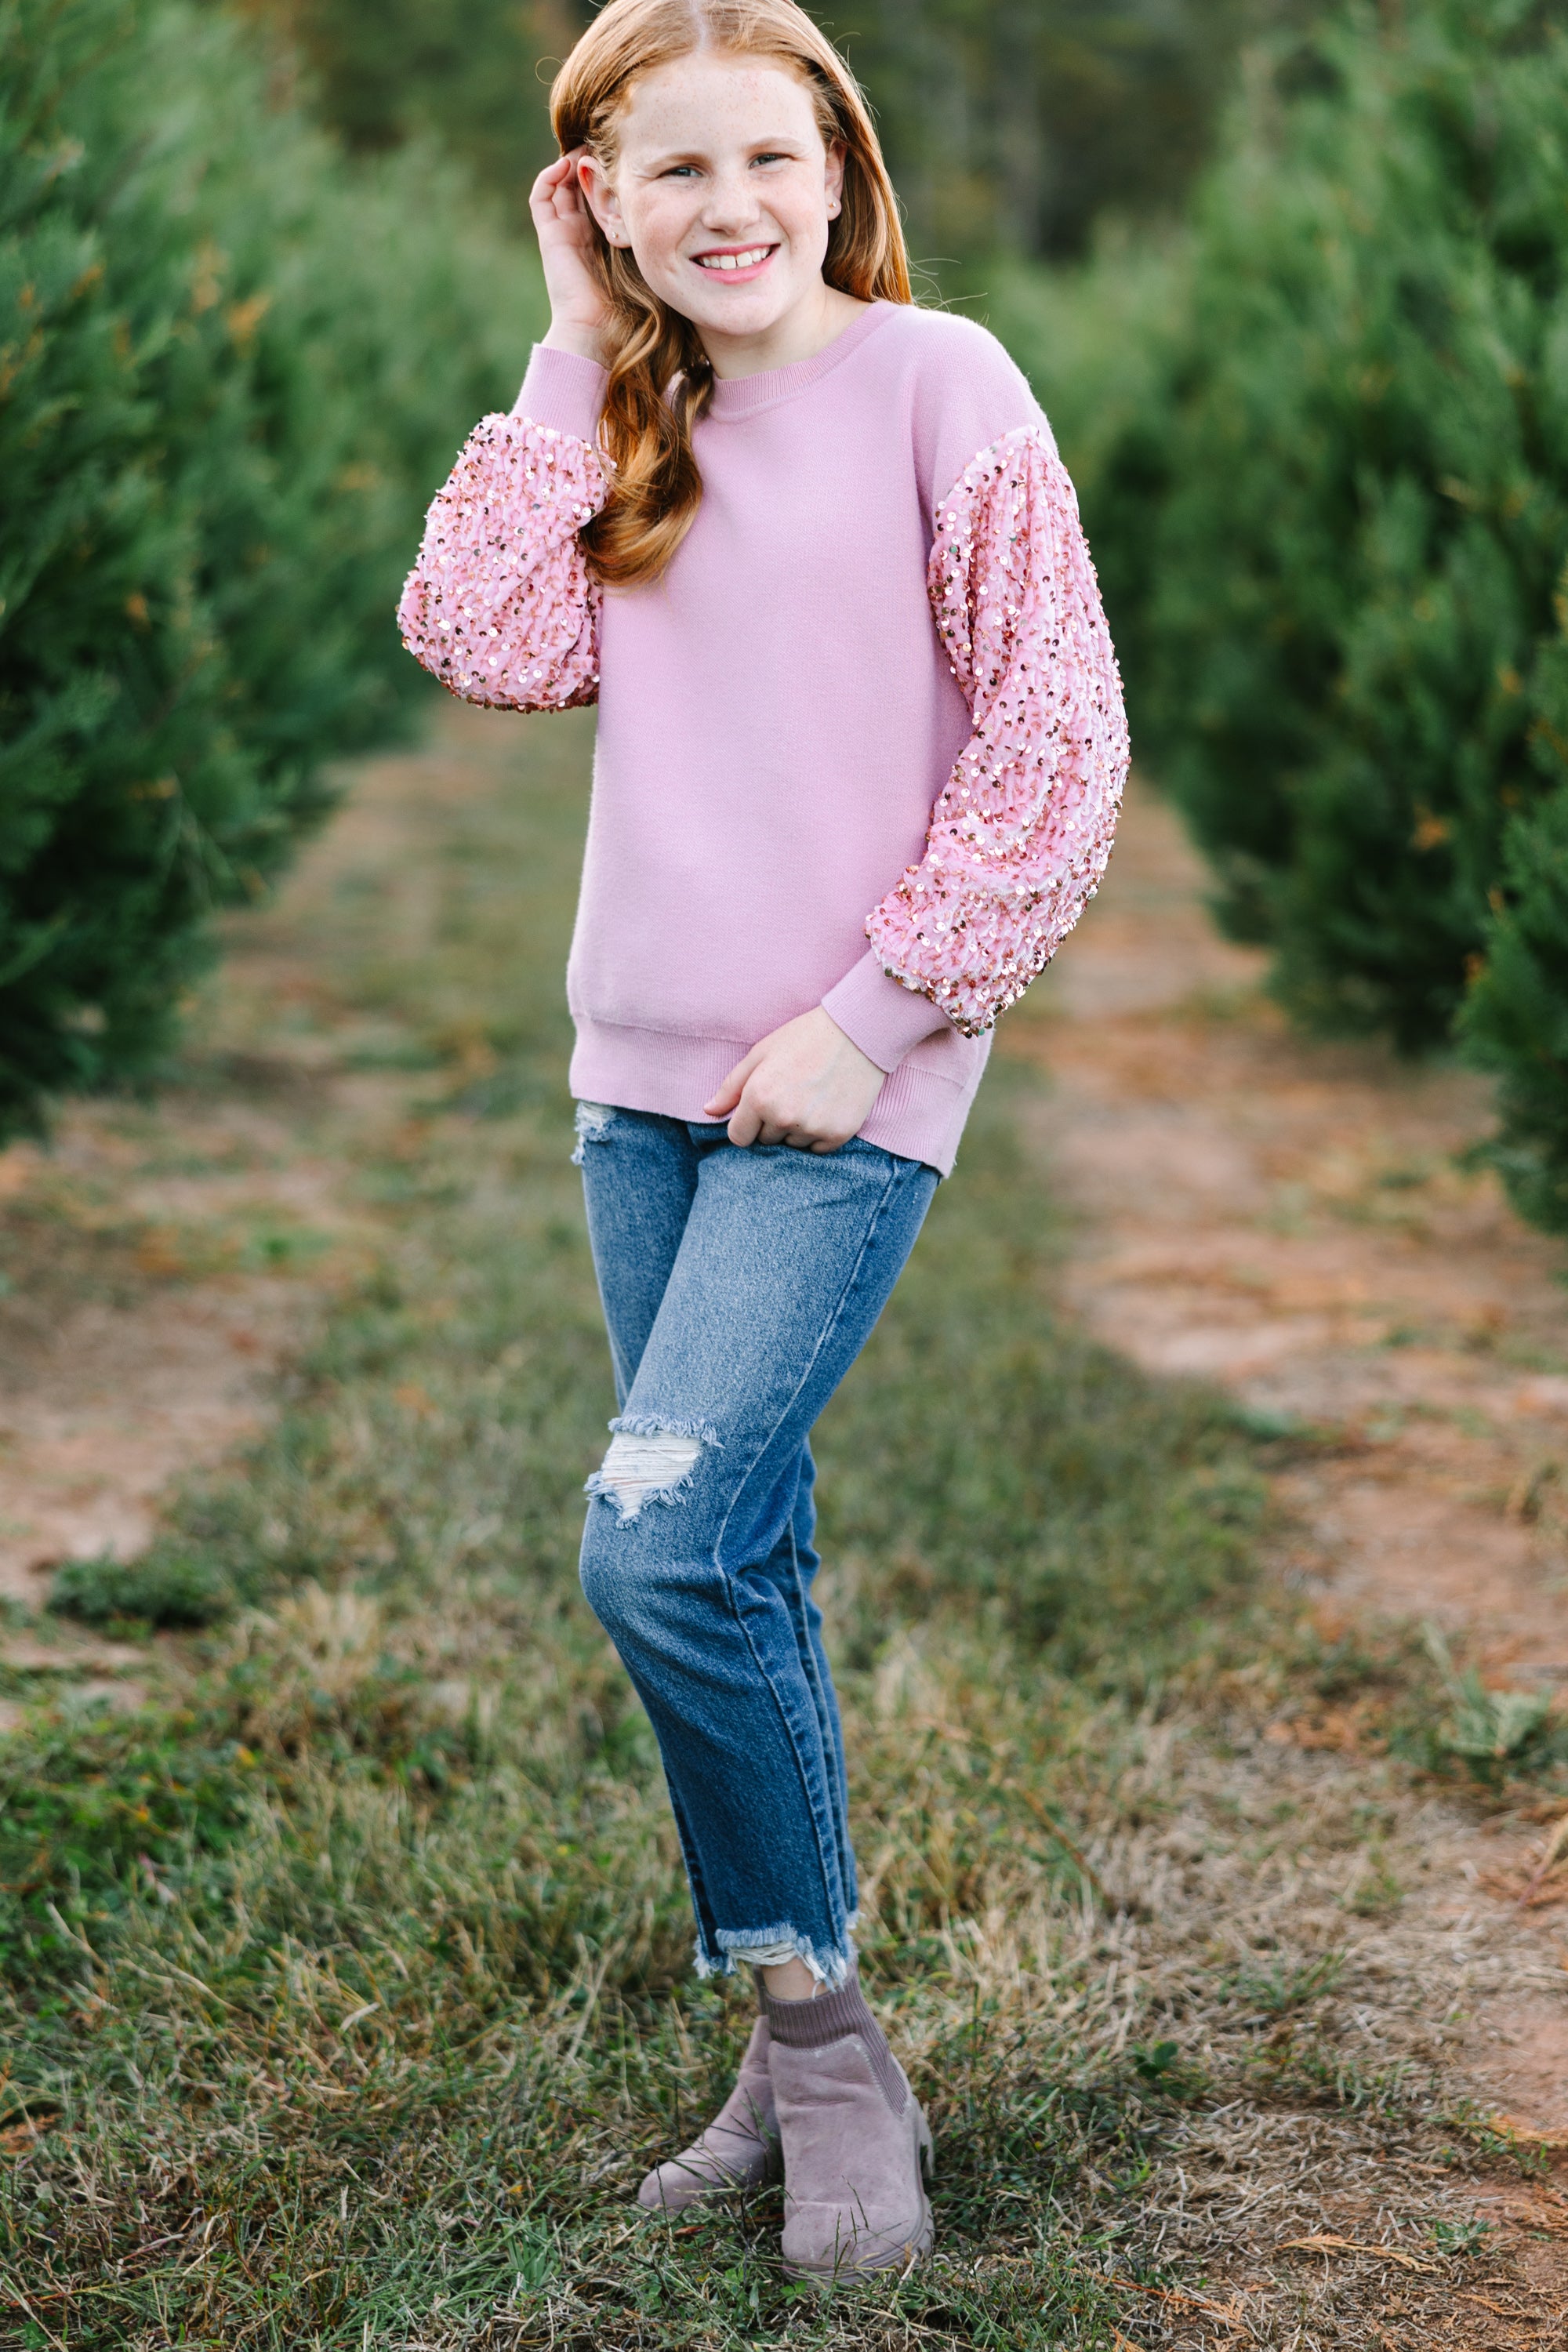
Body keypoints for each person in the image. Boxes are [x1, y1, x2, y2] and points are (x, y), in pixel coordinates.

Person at [398, 0, 1127, 2282]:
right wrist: (558, 348)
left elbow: (1058, 739)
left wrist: (875, 1014)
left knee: (657, 1547)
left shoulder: (944, 386)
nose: (730, 211)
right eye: (670, 172)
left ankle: (820, 2053)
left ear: (839, 169)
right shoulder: (631, 415)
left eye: (766, 162)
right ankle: (791, 2040)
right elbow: (479, 636)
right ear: (601, 197)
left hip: (843, 1084)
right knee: (753, 1567)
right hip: (639, 1084)